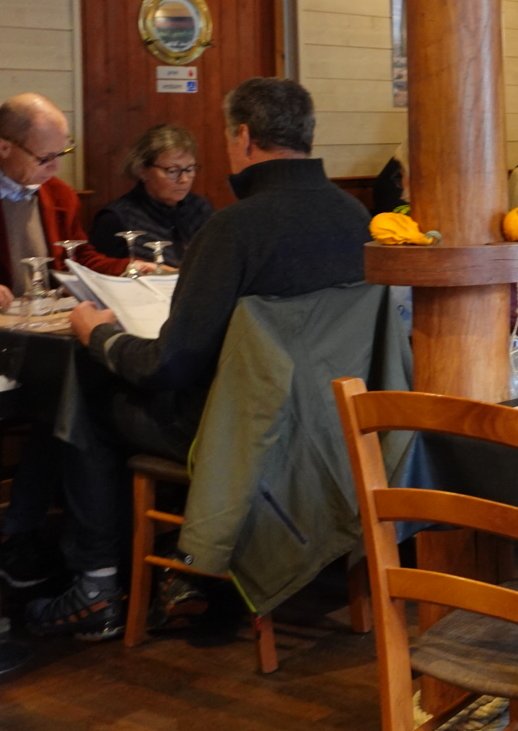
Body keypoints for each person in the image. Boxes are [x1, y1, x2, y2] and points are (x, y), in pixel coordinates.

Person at [27, 78, 371, 640]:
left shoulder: (234, 228)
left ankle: (96, 588)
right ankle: (184, 566)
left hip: (242, 435)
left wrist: (100, 336)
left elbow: (171, 365)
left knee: (88, 382)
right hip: (334, 430)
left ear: (243, 137)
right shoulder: (356, 218)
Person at [0, 93, 133, 312]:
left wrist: (128, 268)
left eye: (62, 153)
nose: (56, 168)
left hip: (46, 320)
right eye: (45, 158)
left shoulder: (60, 194)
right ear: (4, 148)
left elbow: (79, 259)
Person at [88, 123, 215, 266]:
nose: (184, 179)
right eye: (172, 171)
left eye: (189, 169)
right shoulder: (115, 218)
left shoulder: (200, 208)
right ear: (142, 171)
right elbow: (99, 273)